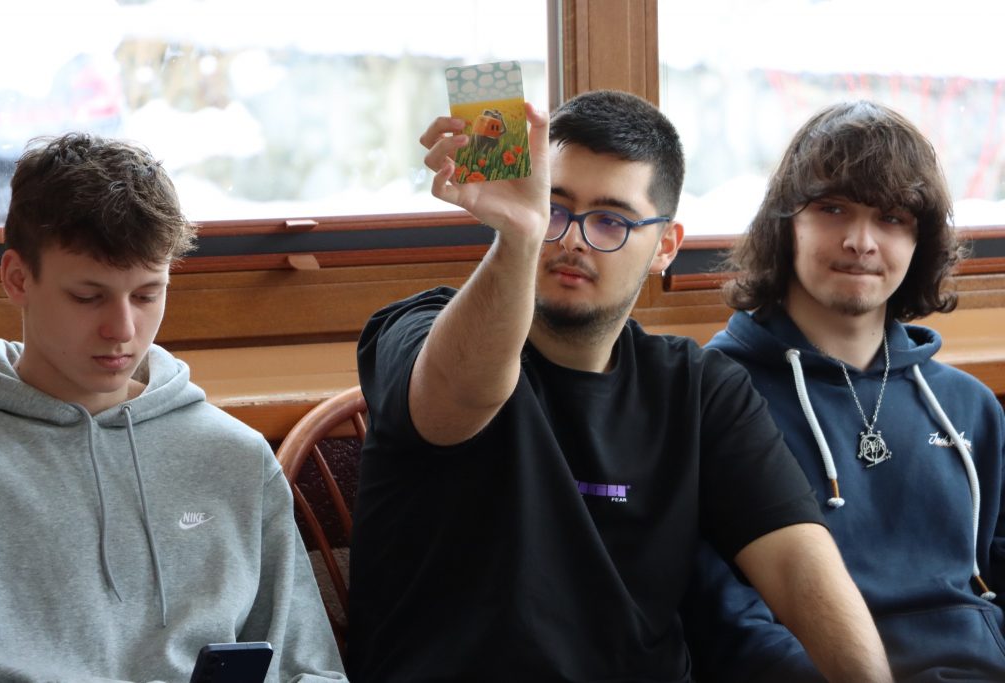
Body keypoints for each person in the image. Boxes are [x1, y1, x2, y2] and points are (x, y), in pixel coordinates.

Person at [348, 89, 893, 682]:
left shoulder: (699, 387)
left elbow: (798, 564)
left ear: (665, 246)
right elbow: (458, 400)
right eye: (554, 209)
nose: (573, 238)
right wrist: (519, 236)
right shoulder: (417, 329)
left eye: (611, 220)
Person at [0, 132, 347, 682]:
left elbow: (311, 669)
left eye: (147, 294)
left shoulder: (235, 457)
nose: (122, 330)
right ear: (17, 279)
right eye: (88, 296)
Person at [683, 101, 1005, 682]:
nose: (861, 241)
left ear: (921, 239)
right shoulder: (715, 393)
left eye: (892, 218)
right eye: (832, 209)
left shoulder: (970, 406)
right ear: (786, 223)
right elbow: (721, 613)